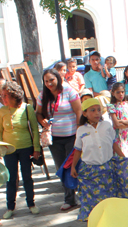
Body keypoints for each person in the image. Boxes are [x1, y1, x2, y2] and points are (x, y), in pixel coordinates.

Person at [70, 98, 128, 221]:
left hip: (107, 169)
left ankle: (112, 220)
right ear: (85, 113)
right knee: (93, 200)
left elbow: (114, 144)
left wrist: (123, 158)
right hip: (90, 172)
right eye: (93, 110)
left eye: (99, 110)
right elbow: (78, 149)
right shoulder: (81, 130)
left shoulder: (106, 126)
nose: (97, 113)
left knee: (109, 197)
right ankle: (96, 222)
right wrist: (73, 166)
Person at [37, 69, 82, 211]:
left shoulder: (69, 91)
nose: (49, 83)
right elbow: (37, 112)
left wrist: (79, 132)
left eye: (52, 80)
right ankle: (69, 199)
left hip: (71, 136)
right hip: (54, 138)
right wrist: (42, 120)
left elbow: (78, 111)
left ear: (58, 78)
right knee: (61, 168)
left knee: (73, 167)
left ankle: (83, 195)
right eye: (46, 81)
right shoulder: (43, 95)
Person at [0, 82, 41, 219]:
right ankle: (10, 206)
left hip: (25, 147)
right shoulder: (2, 111)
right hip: (8, 150)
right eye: (2, 96)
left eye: (6, 96)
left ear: (15, 96)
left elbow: (34, 129)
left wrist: (37, 149)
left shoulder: (27, 108)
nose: (3, 99)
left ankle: (31, 203)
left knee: (27, 176)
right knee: (11, 178)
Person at [107, 83, 128, 169]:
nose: (120, 94)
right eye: (118, 92)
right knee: (122, 158)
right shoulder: (112, 106)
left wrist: (121, 121)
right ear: (113, 93)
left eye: (122, 92)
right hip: (119, 137)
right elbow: (116, 125)